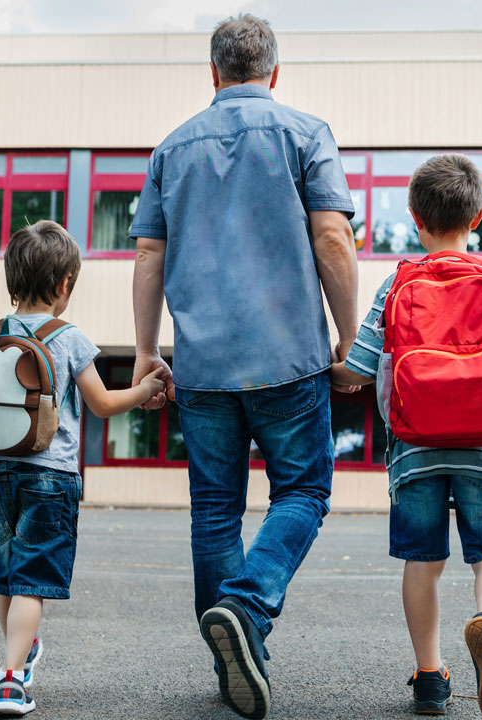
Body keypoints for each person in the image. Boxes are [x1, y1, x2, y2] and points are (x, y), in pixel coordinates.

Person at [128, 14, 358, 720]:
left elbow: (146, 255)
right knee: (303, 493)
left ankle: (236, 651)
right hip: (288, 359)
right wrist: (350, 339)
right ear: (275, 73)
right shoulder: (306, 133)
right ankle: (247, 609)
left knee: (215, 512)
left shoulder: (171, 148)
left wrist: (146, 352)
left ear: (214, 73)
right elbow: (332, 238)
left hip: (201, 366)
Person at [329, 154, 482, 720]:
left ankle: (429, 677)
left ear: (413, 217)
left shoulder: (398, 283)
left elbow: (358, 369)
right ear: (477, 216)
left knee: (422, 560)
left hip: (415, 449)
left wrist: (337, 366)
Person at [0, 221, 170, 716]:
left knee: (8, 573)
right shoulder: (69, 337)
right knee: (32, 578)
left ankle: (16, 654)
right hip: (49, 474)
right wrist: (147, 391)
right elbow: (102, 404)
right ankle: (11, 681)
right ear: (65, 285)